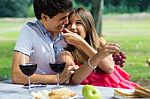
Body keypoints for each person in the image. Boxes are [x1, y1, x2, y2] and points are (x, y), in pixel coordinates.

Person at [62, 7, 138, 89]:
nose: (73, 27)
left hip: (118, 89)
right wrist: (81, 44)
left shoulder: (100, 42)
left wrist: (82, 44)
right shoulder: (67, 53)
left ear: (88, 26)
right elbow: (75, 80)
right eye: (69, 23)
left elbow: (109, 68)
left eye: (78, 23)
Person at [11, 0, 76, 84]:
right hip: (38, 91)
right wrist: (57, 79)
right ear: (44, 17)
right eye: (62, 18)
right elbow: (17, 76)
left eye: (67, 16)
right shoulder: (30, 31)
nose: (67, 21)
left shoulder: (69, 29)